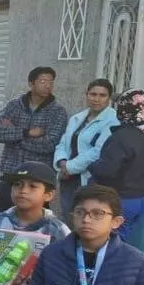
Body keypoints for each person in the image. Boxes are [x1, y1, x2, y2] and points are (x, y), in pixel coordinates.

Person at [0, 67, 69, 212]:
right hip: (11, 174)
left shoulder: (58, 112)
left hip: (39, 178)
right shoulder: (14, 106)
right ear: (31, 84)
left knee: (34, 224)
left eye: (51, 82)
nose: (48, 85)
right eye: (43, 81)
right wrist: (27, 133)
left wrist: (14, 137)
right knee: (6, 221)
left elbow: (49, 144)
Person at [88, 89, 144, 240]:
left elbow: (107, 170)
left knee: (105, 243)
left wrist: (92, 166)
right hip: (141, 199)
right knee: (120, 242)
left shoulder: (122, 137)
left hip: (120, 200)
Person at [53, 80, 118, 218]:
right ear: (87, 95)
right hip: (68, 178)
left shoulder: (113, 120)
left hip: (89, 179)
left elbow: (98, 151)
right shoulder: (77, 118)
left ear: (109, 98)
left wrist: (70, 166)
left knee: (84, 218)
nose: (97, 99)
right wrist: (62, 162)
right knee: (68, 216)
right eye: (93, 94)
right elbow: (63, 143)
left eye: (102, 95)